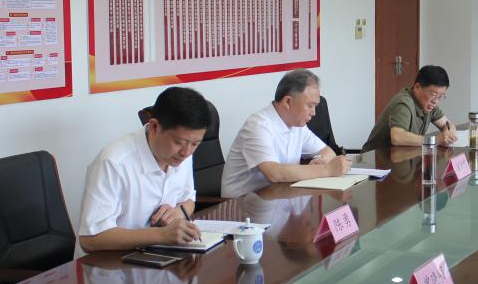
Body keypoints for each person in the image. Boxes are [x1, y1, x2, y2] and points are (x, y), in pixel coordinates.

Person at [78, 86, 210, 253]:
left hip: (157, 256)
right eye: (178, 142)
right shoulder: (114, 161)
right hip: (109, 262)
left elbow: (188, 200)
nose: (187, 152)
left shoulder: (182, 154)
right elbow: (90, 239)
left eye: (195, 144)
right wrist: (161, 235)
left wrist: (178, 213)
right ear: (154, 127)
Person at [221, 69, 352, 197]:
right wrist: (326, 170)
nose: (314, 113)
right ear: (288, 102)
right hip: (242, 204)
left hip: (280, 196)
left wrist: (318, 161)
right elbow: (274, 173)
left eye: (315, 106)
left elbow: (328, 152)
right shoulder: (258, 126)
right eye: (310, 106)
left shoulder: (298, 125)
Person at [361, 65, 457, 152]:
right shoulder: (403, 103)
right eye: (433, 94)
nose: (435, 101)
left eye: (440, 96)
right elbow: (397, 137)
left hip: (399, 157)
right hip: (375, 160)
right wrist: (435, 140)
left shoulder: (429, 104)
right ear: (418, 87)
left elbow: (448, 124)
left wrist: (448, 134)